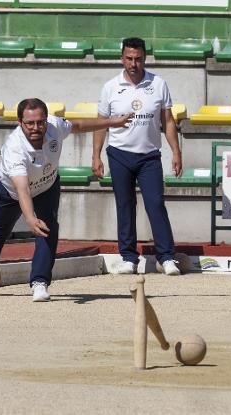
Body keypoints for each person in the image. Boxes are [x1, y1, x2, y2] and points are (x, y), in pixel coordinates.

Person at [0, 98, 132, 301]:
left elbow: (78, 125)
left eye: (40, 122)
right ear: (20, 123)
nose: (36, 128)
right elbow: (23, 188)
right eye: (30, 123)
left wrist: (112, 123)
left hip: (47, 186)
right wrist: (29, 218)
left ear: (46, 120)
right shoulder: (14, 148)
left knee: (48, 228)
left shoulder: (55, 125)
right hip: (12, 192)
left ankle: (39, 282)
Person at [92, 37, 182, 276]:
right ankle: (129, 258)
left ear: (145, 58)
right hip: (119, 154)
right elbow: (101, 123)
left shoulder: (158, 84)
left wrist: (176, 151)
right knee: (125, 205)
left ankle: (167, 257)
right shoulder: (110, 87)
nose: (134, 63)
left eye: (138, 59)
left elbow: (168, 121)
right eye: (129, 58)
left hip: (149, 156)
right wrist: (96, 155)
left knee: (155, 204)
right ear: (122, 58)